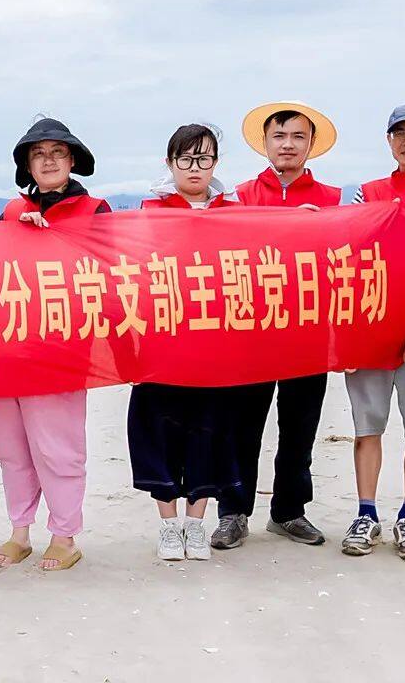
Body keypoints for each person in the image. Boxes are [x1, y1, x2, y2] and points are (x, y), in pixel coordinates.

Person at [212, 101, 340, 551]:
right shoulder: (239, 197)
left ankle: (289, 511)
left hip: (308, 331)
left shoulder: (333, 200)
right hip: (251, 331)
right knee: (241, 427)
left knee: (300, 428)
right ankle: (233, 512)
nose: (288, 144)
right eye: (279, 136)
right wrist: (283, 225)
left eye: (298, 136)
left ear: (311, 144)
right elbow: (223, 251)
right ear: (264, 143)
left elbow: (347, 257)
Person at [0, 117, 109, 571]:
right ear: (27, 165)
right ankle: (19, 531)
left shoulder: (95, 210)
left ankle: (64, 534)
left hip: (62, 349)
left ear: (72, 160)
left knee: (57, 447)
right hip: (8, 348)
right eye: (38, 154)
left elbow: (110, 272)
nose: (49, 160)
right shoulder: (9, 213)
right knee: (10, 445)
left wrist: (53, 239)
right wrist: (19, 235)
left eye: (58, 153)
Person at [131, 123, 242, 560]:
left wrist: (305, 222)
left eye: (204, 158)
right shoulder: (149, 211)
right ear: (170, 162)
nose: (195, 167)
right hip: (162, 344)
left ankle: (196, 524)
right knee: (160, 431)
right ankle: (168, 525)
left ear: (215, 162)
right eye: (186, 159)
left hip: (216, 345)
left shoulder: (233, 211)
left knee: (208, 431)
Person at [342, 103, 405, 562]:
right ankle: (366, 514)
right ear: (388, 141)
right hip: (373, 333)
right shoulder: (370, 193)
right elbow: (346, 256)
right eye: (400, 133)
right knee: (368, 427)